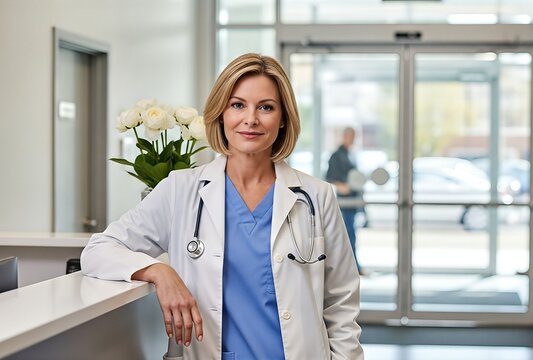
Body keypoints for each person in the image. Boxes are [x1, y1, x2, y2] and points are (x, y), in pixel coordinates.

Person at [81, 53, 363, 360]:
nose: (251, 119)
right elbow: (98, 250)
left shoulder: (316, 196)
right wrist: (159, 272)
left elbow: (341, 302)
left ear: (282, 118)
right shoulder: (181, 190)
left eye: (266, 107)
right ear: (221, 113)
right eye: (238, 105)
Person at [325, 127, 367, 276]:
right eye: (350, 136)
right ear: (345, 136)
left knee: (351, 235)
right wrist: (341, 186)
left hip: (353, 201)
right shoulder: (337, 155)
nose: (352, 139)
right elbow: (329, 177)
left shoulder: (351, 155)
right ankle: (352, 268)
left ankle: (353, 267)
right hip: (344, 201)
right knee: (347, 235)